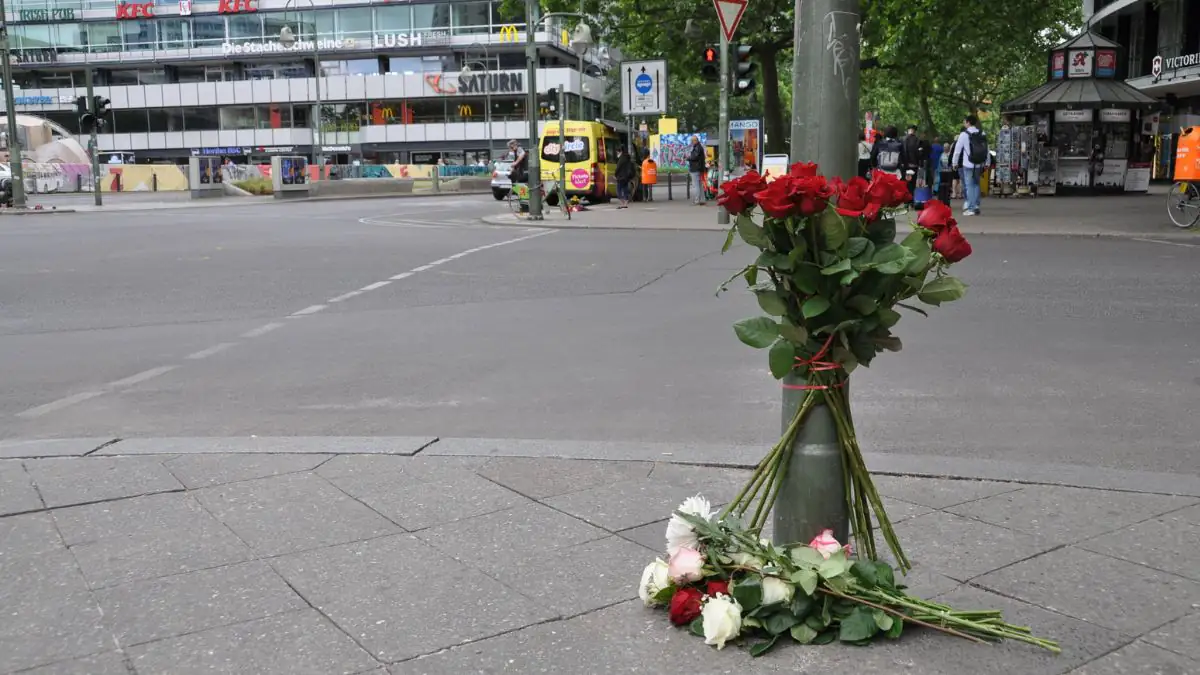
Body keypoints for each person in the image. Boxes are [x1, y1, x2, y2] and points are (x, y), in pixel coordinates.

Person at [952, 114, 989, 216]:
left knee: (969, 186)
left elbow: (957, 151)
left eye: (965, 122)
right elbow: (986, 149)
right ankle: (976, 205)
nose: (964, 123)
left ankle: (971, 208)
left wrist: (954, 163)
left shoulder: (964, 135)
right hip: (979, 164)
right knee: (976, 184)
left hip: (968, 164)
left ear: (968, 122)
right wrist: (987, 162)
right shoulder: (982, 133)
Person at [902, 125, 922, 197]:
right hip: (914, 165)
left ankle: (906, 200)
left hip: (905, 165)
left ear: (908, 130)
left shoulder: (903, 139)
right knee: (913, 182)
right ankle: (911, 198)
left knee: (906, 182)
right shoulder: (917, 140)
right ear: (915, 131)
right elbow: (919, 154)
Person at [687, 135, 706, 205]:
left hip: (695, 168)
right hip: (699, 168)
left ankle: (697, 200)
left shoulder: (697, 147)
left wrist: (688, 158)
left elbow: (694, 157)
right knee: (699, 185)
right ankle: (702, 200)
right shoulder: (699, 147)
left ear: (695, 140)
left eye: (692, 141)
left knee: (696, 185)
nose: (691, 142)